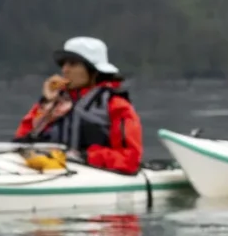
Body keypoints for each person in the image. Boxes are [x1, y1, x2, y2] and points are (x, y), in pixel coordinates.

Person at [13, 36, 143, 173]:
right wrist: (46, 104)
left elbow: (130, 159)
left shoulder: (116, 105)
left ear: (92, 70)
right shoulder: (55, 102)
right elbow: (21, 139)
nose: (65, 70)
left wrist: (83, 156)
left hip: (93, 176)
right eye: (63, 64)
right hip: (49, 171)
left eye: (73, 64)